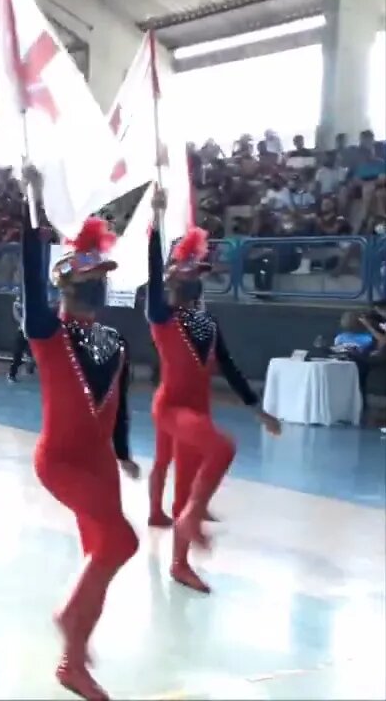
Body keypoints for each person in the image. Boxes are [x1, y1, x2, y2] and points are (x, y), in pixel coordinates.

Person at [19, 166, 139, 701]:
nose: (96, 287)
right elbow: (28, 277)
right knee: (123, 540)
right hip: (62, 462)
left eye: (102, 279)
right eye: (85, 280)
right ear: (64, 285)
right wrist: (34, 210)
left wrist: (123, 453)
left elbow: (121, 404)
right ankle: (70, 619)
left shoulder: (115, 339)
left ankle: (73, 662)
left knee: (101, 551)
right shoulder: (47, 333)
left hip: (101, 465)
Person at [143, 200, 281, 595]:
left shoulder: (207, 322)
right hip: (172, 408)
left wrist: (259, 411)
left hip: (197, 410)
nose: (196, 278)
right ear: (173, 282)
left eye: (199, 273)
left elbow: (231, 368)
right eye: (189, 273)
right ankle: (191, 517)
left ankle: (179, 562)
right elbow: (153, 278)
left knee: (186, 488)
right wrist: (154, 225)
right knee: (221, 447)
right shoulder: (161, 317)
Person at [7, 290, 36, 382]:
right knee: (17, 356)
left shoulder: (36, 302)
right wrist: (23, 322)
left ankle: (30, 367)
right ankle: (11, 374)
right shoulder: (19, 302)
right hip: (22, 332)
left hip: (32, 333)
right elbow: (16, 314)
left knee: (31, 357)